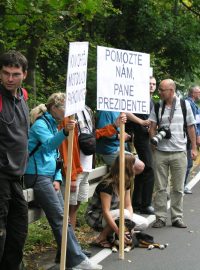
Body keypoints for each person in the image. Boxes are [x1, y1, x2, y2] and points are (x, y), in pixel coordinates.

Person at [24, 93, 102, 270]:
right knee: (60, 217)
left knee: (63, 218)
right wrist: (65, 132)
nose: (67, 112)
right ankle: (77, 261)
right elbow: (49, 145)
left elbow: (56, 155)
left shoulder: (53, 124)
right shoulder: (40, 125)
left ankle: (72, 257)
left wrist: (58, 178)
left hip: (49, 177)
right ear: (54, 108)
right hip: (37, 175)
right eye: (64, 108)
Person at [149, 79, 197, 229]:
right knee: (160, 187)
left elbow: (190, 127)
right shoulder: (158, 106)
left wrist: (194, 147)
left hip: (179, 152)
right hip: (161, 153)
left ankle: (177, 217)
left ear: (171, 90)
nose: (159, 92)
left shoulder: (185, 105)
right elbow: (152, 125)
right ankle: (160, 217)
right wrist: (153, 142)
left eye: (162, 90)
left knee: (178, 188)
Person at [0, 51, 29, 270]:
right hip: (1, 176)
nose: (10, 79)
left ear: (24, 75)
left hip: (17, 176)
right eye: (6, 73)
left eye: (15, 74)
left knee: (19, 229)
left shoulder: (23, 97)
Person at [85, 153, 149, 248]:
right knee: (125, 214)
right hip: (97, 216)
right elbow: (105, 212)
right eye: (132, 164)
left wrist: (129, 225)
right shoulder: (107, 185)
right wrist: (119, 231)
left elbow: (128, 205)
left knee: (144, 223)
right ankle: (102, 237)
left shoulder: (126, 182)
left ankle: (114, 235)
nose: (134, 166)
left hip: (117, 215)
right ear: (127, 167)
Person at [126, 76, 156, 215]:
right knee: (149, 168)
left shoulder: (151, 100)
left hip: (148, 136)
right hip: (139, 135)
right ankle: (146, 204)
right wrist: (141, 122)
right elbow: (126, 111)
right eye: (149, 83)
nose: (151, 86)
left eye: (153, 84)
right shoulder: (137, 98)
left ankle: (137, 203)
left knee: (143, 170)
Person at [184, 85, 200, 194]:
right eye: (198, 92)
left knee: (187, 162)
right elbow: (193, 124)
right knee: (188, 163)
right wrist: (197, 137)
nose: (199, 94)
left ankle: (182, 185)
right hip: (189, 138)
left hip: (188, 137)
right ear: (193, 93)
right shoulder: (190, 104)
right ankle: (182, 185)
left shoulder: (192, 104)